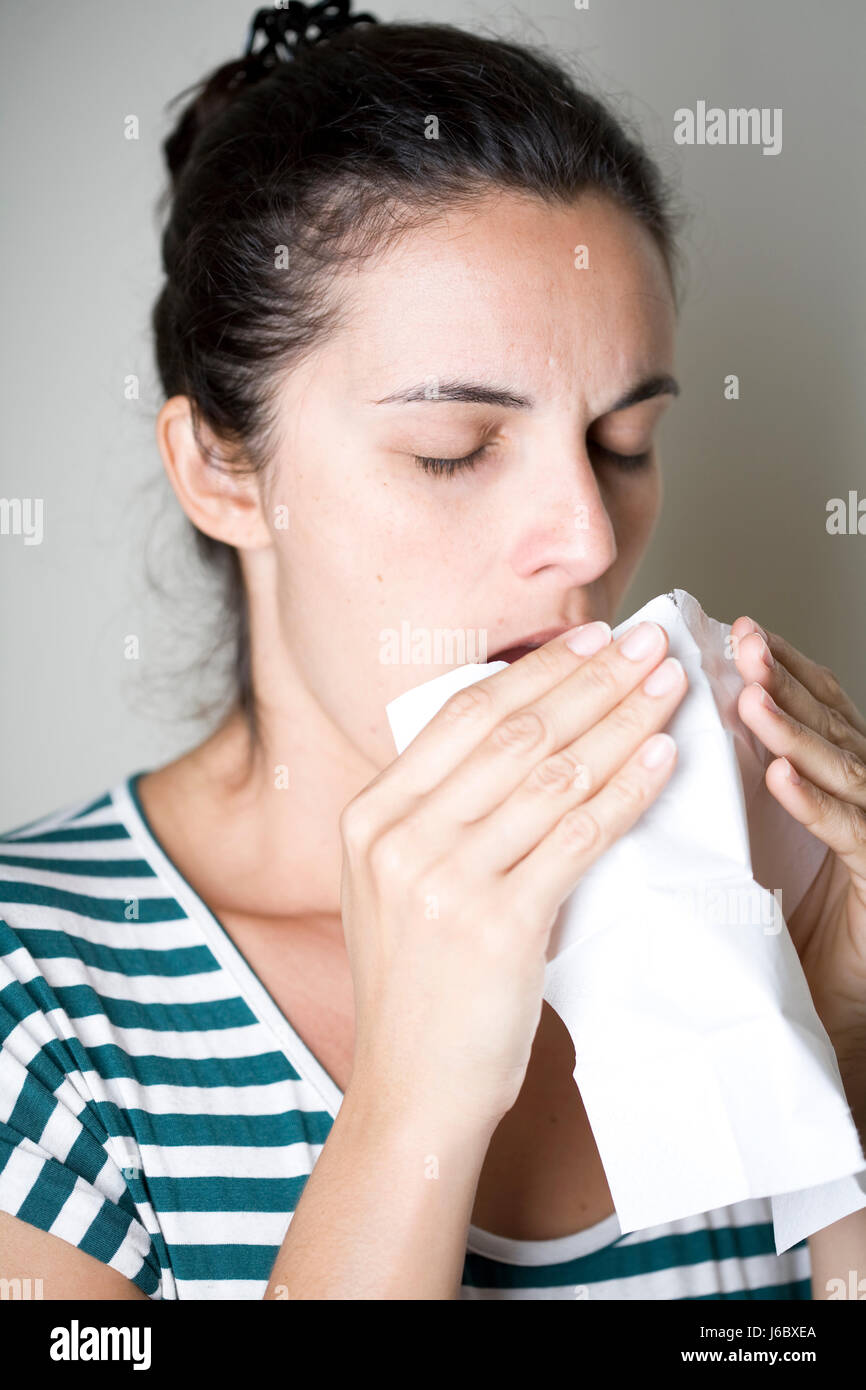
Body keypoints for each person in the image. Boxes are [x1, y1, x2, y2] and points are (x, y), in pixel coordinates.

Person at [2, 1, 865, 1301]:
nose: (585, 538)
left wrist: (842, 1040)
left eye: (623, 443)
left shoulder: (758, 922)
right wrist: (407, 1112)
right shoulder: (39, 994)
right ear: (223, 471)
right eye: (452, 450)